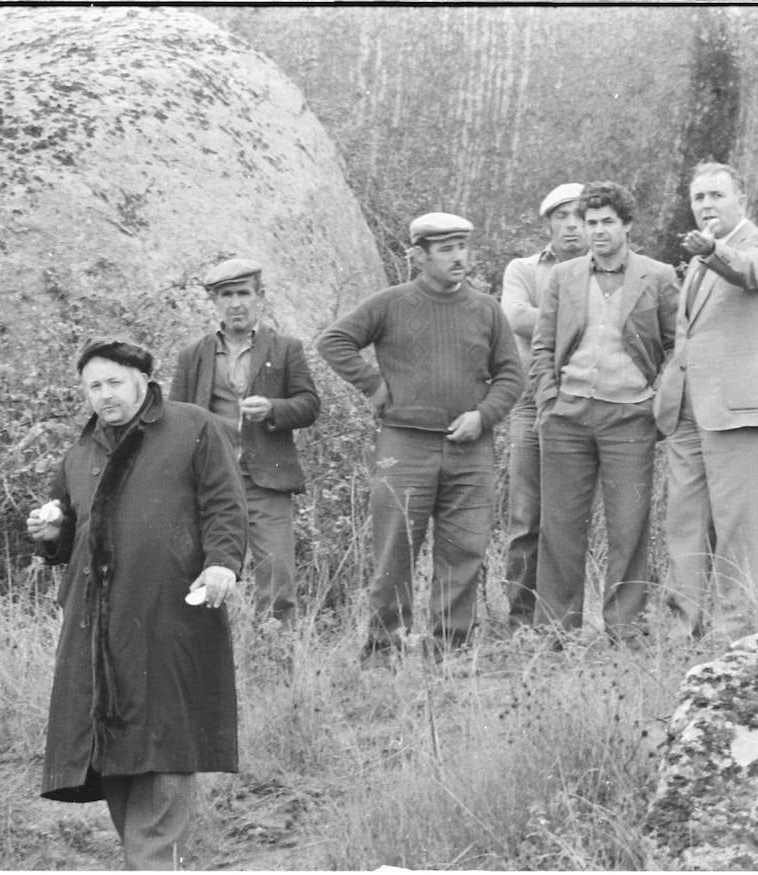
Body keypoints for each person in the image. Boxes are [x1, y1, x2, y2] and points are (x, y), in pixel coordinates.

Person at [27, 337, 247, 869]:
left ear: (143, 382)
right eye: (93, 386)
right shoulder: (80, 454)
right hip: (94, 626)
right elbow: (66, 529)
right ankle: (147, 863)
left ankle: (151, 864)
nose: (104, 395)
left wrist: (222, 563)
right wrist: (50, 530)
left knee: (165, 742)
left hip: (169, 612)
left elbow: (224, 504)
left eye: (114, 382)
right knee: (116, 757)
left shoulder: (192, 426)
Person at [317, 212, 523, 663]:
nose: (458, 257)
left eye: (463, 247)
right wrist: (373, 386)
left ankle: (449, 651)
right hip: (405, 446)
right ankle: (382, 651)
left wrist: (483, 416)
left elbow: (511, 374)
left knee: (464, 550)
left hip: (470, 449)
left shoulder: (486, 308)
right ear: (419, 255)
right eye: (446, 248)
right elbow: (334, 341)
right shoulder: (391, 303)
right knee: (394, 551)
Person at [530, 181, 678, 642]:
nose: (595, 230)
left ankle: (625, 626)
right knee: (559, 524)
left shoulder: (657, 275)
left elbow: (676, 345)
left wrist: (656, 397)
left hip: (630, 417)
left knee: (628, 524)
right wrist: (549, 401)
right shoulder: (564, 276)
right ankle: (556, 626)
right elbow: (543, 344)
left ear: (627, 225)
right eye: (589, 222)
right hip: (568, 416)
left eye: (606, 222)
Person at [654, 162, 758, 641]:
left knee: (737, 522)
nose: (706, 205)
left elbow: (751, 273)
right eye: (699, 197)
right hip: (687, 408)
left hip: (735, 407)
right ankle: (682, 623)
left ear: (742, 200)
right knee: (683, 520)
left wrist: (712, 249)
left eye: (716, 195)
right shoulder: (697, 259)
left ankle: (736, 625)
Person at [171, 257, 321, 626]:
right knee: (201, 573)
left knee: (277, 576)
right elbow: (174, 418)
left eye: (243, 293)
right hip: (211, 482)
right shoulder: (194, 356)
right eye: (226, 295)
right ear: (214, 302)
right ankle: (206, 656)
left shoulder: (286, 349)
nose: (235, 303)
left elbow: (309, 405)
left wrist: (273, 408)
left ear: (260, 297)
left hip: (265, 482)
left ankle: (276, 660)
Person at [498, 182, 587, 630]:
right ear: (547, 223)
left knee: (570, 515)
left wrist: (549, 320)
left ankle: (566, 620)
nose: (572, 224)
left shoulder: (609, 270)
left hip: (588, 402)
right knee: (526, 515)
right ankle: (521, 619)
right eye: (561, 216)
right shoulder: (524, 269)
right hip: (531, 405)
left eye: (580, 215)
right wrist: (586, 319)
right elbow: (516, 317)